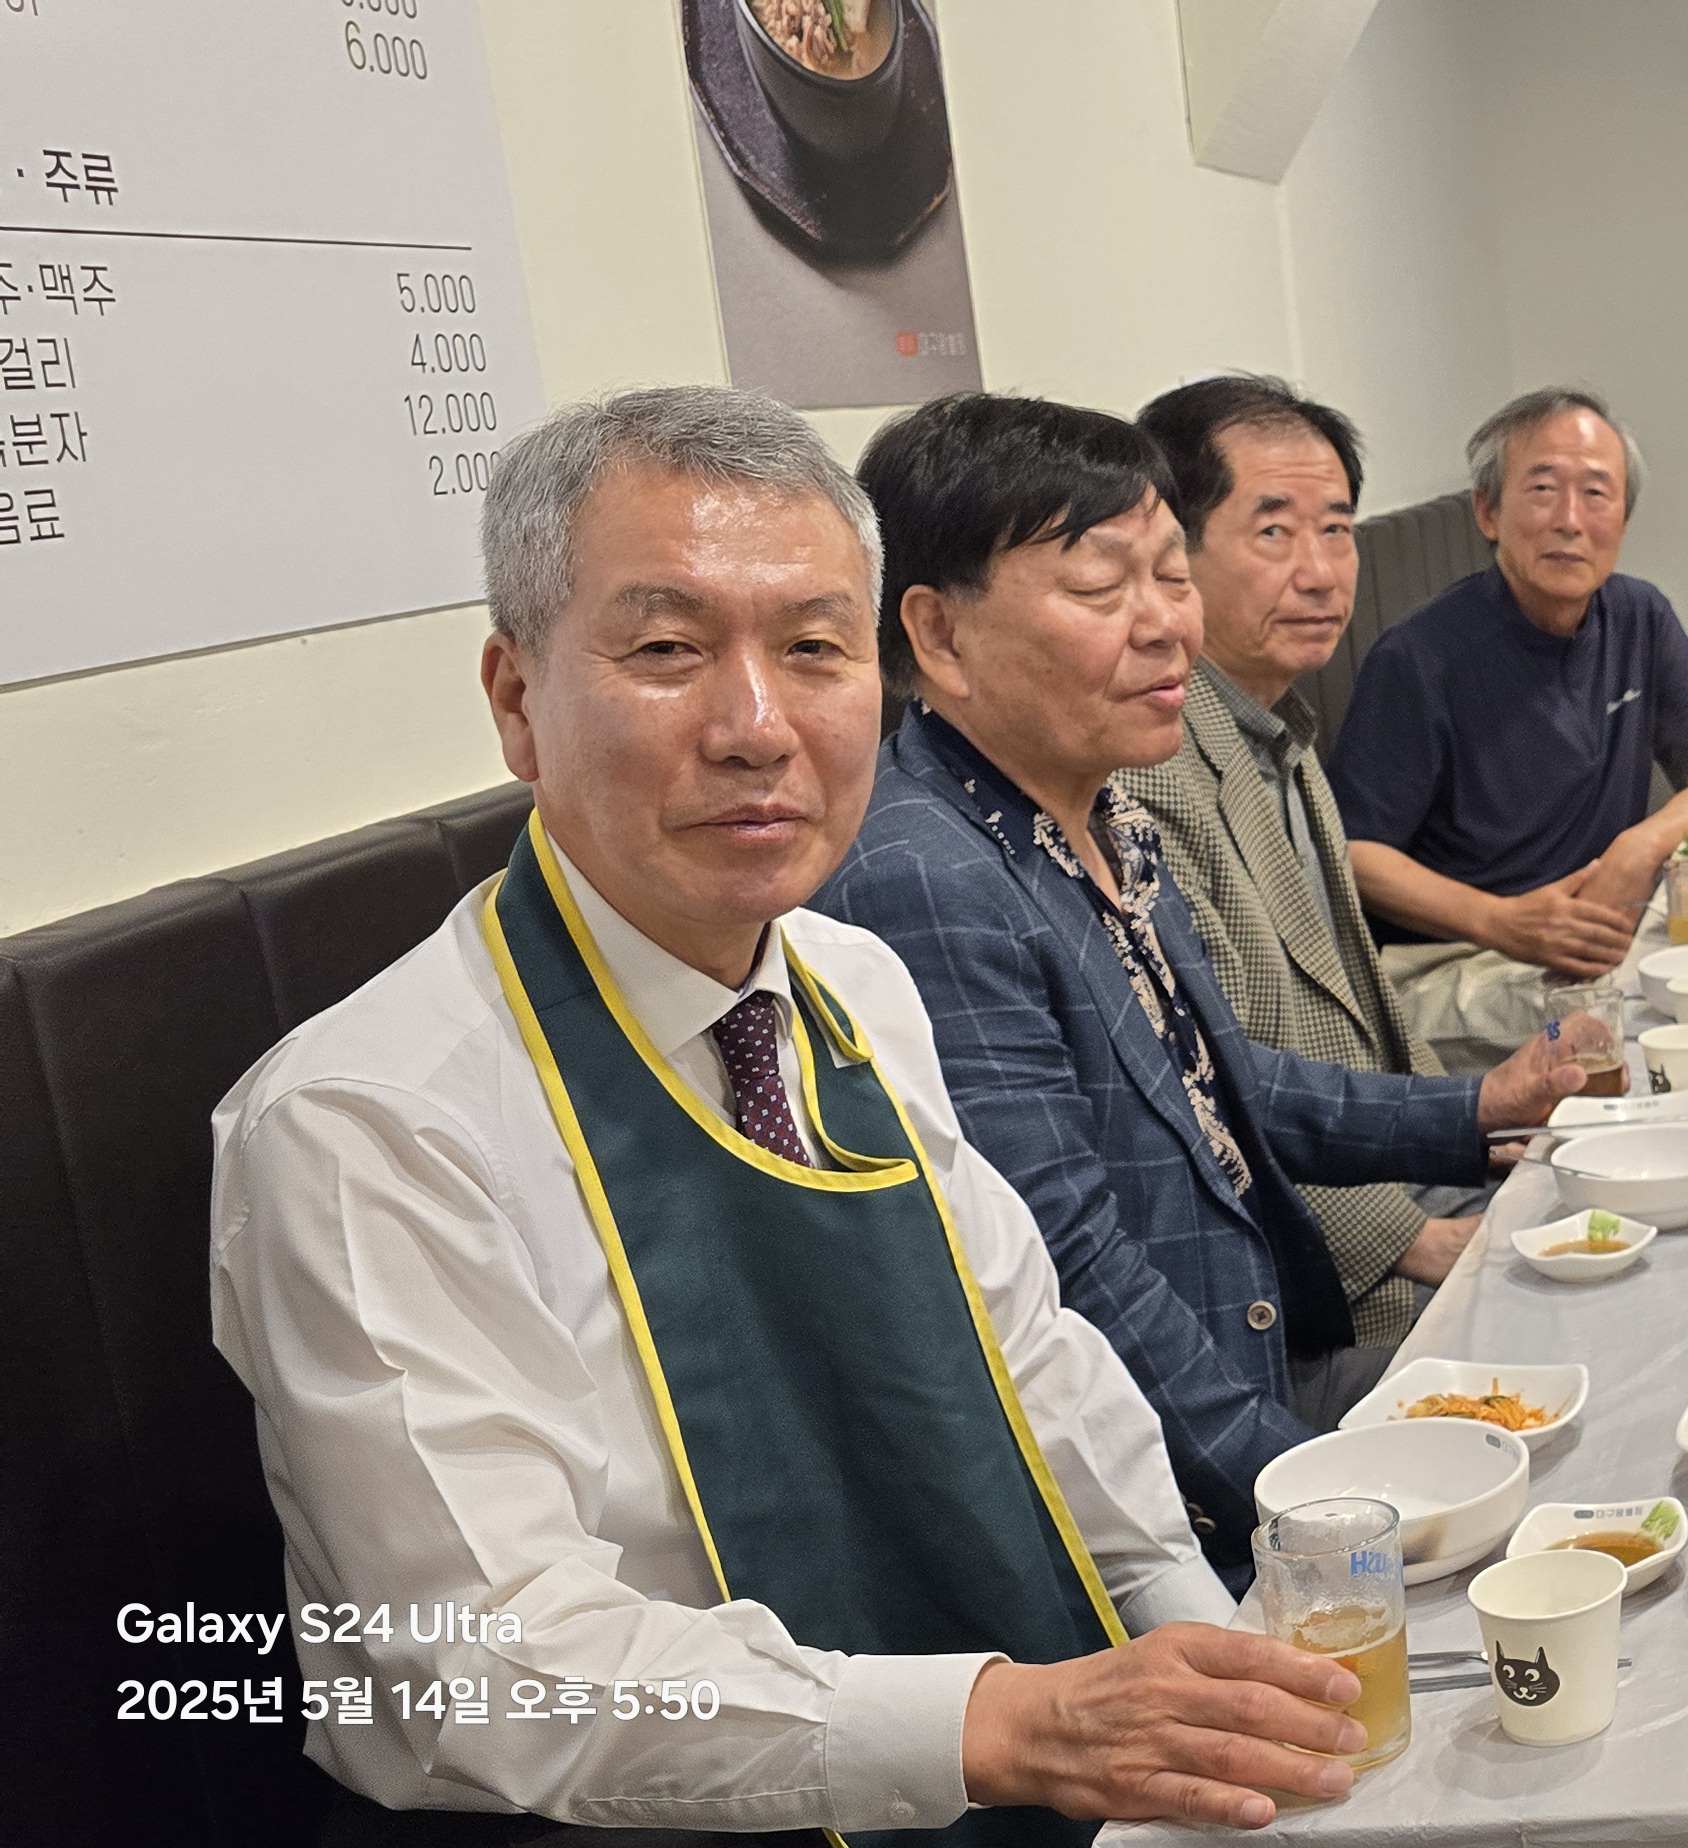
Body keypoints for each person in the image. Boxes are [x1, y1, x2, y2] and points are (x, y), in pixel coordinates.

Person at [211, 385, 1385, 1839]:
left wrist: (1198, 1639)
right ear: (517, 701)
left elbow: (1033, 1358)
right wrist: (997, 1726)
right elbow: (484, 1664)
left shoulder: (849, 981)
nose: (756, 727)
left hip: (991, 1741)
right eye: (667, 651)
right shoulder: (368, 1122)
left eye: (815, 649)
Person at [811, 393, 1595, 1587]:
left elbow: (1221, 1079)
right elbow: (1069, 1271)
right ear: (939, 634)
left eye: (1171, 576)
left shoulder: (1095, 808)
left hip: (1257, 1362)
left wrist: (1478, 1105)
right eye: (1100, 586)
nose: (1168, 626)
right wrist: (1317, 1509)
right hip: (1158, 1499)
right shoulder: (925, 875)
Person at [1115, 374, 1475, 1350]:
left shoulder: (1277, 724)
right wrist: (1417, 1239)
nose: (1320, 573)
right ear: (1172, 556)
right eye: (1273, 532)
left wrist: (1482, 1128)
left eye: (1337, 530)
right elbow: (1217, 1078)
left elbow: (1363, 1004)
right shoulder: (1149, 773)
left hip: (1398, 1165)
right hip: (1313, 1272)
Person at [1332, 386, 1688, 1068]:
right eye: (1541, 490)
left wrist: (1637, 848)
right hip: (1459, 962)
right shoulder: (1418, 658)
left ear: (1623, 518)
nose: (1570, 520)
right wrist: (1502, 922)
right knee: (1655, 1027)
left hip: (1590, 943)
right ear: (1488, 512)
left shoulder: (1639, 616)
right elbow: (1352, 854)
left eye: (1596, 494)